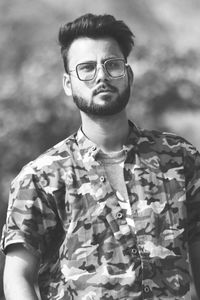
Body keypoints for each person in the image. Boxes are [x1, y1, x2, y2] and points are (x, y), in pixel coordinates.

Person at [1, 13, 200, 300]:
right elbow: (17, 277)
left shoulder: (179, 158)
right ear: (68, 83)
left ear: (128, 75)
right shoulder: (40, 177)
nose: (102, 76)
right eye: (86, 68)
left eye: (112, 65)